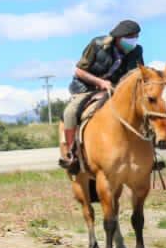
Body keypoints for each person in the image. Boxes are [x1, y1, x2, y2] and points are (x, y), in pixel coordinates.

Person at [59, 19, 145, 172]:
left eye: (136, 37)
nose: (134, 41)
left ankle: (148, 156)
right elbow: (79, 71)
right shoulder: (97, 45)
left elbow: (137, 75)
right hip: (86, 88)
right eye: (131, 37)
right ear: (119, 37)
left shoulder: (137, 51)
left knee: (142, 109)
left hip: (116, 90)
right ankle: (72, 154)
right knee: (70, 112)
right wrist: (100, 82)